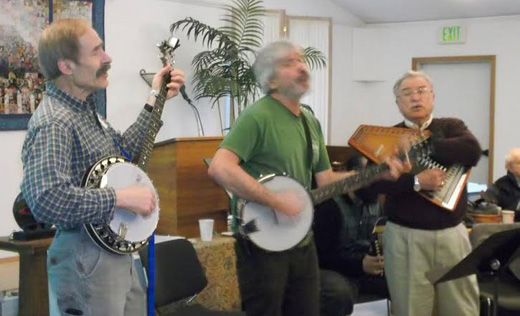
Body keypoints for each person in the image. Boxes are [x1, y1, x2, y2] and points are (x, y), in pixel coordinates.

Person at [207, 40, 405, 316]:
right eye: (290, 63)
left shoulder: (310, 122)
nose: (301, 67)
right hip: (262, 240)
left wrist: (375, 173)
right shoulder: (257, 116)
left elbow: (325, 181)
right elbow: (220, 168)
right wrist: (275, 201)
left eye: (301, 60)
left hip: (301, 241)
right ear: (271, 79)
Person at [20, 19, 185, 316]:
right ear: (67, 66)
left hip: (111, 255)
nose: (108, 58)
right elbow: (46, 199)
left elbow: (126, 153)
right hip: (85, 258)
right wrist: (121, 198)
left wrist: (156, 98)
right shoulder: (55, 122)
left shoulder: (83, 109)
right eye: (97, 52)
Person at [368, 70, 481, 316]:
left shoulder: (451, 127)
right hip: (406, 238)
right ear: (398, 103)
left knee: (461, 308)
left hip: (452, 236)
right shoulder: (387, 138)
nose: (415, 98)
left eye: (421, 91)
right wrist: (415, 181)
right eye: (406, 93)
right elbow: (373, 185)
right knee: (411, 309)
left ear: (433, 98)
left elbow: (472, 151)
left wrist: (421, 145)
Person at [314, 154, 388, 316]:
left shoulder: (376, 203)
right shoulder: (329, 206)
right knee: (339, 292)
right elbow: (323, 258)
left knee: (402, 283)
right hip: (335, 270)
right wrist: (360, 264)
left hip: (366, 270)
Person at [483, 148, 520, 220]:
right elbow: (487, 210)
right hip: (508, 227)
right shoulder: (499, 186)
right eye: (519, 163)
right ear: (509, 166)